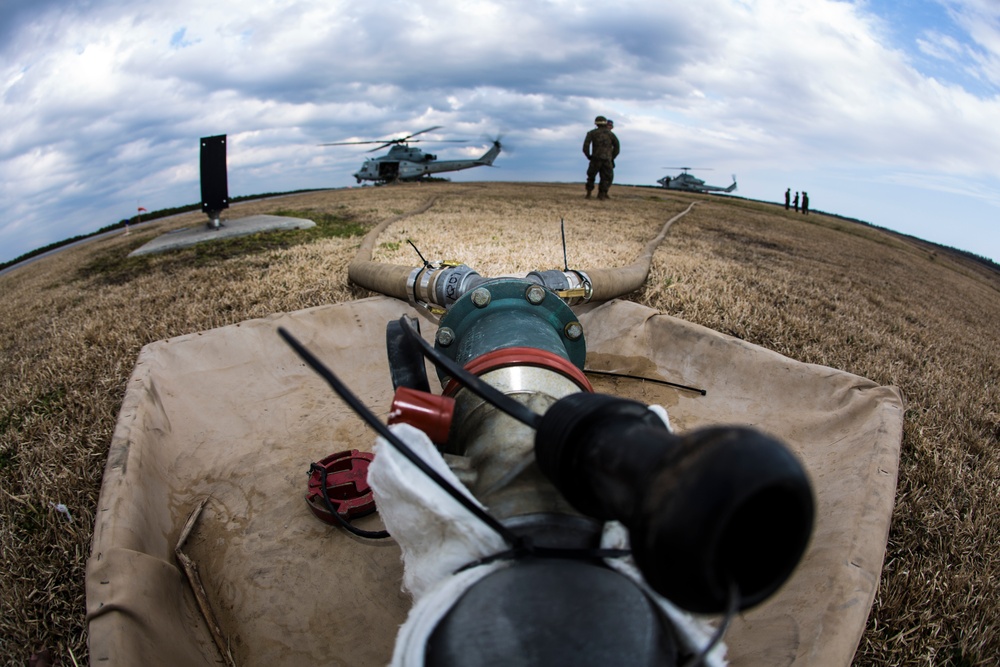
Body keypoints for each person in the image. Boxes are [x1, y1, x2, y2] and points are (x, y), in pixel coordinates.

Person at [582, 115, 620, 200]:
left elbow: (585, 147)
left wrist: (589, 156)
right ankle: (601, 195)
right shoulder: (611, 134)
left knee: (591, 176)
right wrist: (611, 157)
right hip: (607, 160)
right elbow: (617, 147)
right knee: (606, 177)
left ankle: (589, 193)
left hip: (595, 158)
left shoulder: (591, 133)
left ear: (596, 123)